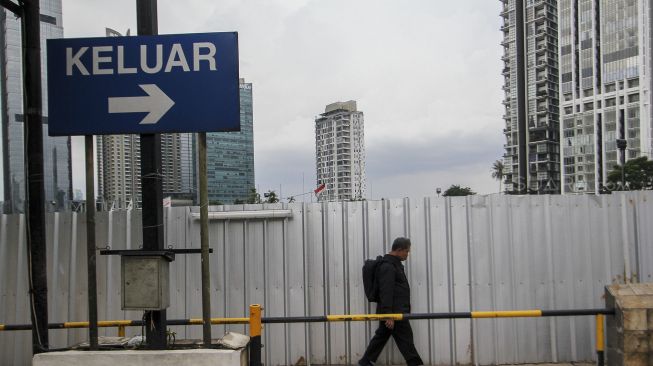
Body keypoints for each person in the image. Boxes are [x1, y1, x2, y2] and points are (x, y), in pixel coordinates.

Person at [359, 237, 423, 366]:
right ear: (399, 250)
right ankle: (415, 363)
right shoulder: (388, 266)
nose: (407, 254)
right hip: (394, 312)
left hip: (394, 310)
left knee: (382, 336)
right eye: (406, 251)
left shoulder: (394, 264)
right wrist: (389, 314)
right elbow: (386, 291)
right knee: (406, 338)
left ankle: (365, 361)